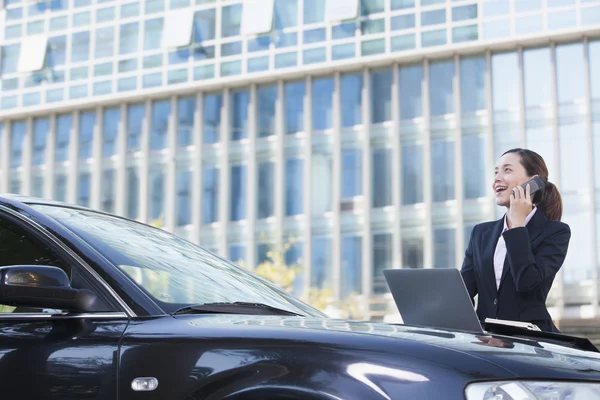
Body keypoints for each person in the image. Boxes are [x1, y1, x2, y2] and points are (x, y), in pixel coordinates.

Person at [460, 148, 570, 333]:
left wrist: (518, 227)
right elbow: (464, 291)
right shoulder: (481, 233)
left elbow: (527, 283)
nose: (497, 178)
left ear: (533, 182)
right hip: (486, 340)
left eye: (507, 170)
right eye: (496, 172)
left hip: (531, 341)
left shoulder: (555, 232)